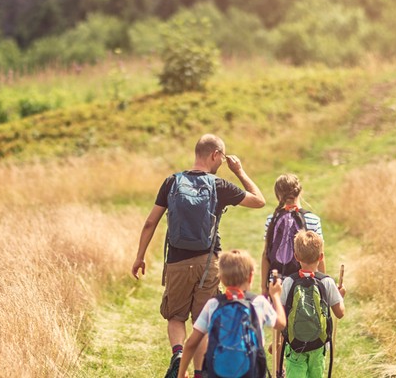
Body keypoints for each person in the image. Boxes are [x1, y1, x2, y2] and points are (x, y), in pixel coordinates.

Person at [132, 134, 266, 378]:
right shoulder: (219, 185)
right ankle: (198, 373)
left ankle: (177, 354)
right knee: (201, 321)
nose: (222, 163)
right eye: (222, 159)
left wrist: (139, 256)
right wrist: (239, 171)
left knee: (175, 316)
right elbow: (259, 201)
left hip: (176, 262)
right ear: (215, 154)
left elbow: (150, 222)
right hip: (208, 264)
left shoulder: (171, 182)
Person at [177, 249, 286, 378]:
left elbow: (191, 343)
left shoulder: (213, 304)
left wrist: (181, 373)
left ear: (221, 279)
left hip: (219, 371)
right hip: (250, 371)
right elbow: (281, 323)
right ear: (251, 277)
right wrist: (276, 296)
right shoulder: (258, 303)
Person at [278, 230, 345, 378]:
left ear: (296, 257)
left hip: (295, 346)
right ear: (321, 257)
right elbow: (340, 313)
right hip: (318, 345)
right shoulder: (327, 282)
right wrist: (341, 297)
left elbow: (281, 314)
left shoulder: (289, 282)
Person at [261, 174, 325, 283]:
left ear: (277, 195)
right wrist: (323, 282)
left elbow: (266, 254)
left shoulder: (272, 220)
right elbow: (320, 255)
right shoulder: (313, 220)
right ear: (300, 192)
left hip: (276, 283)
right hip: (304, 283)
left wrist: (263, 287)